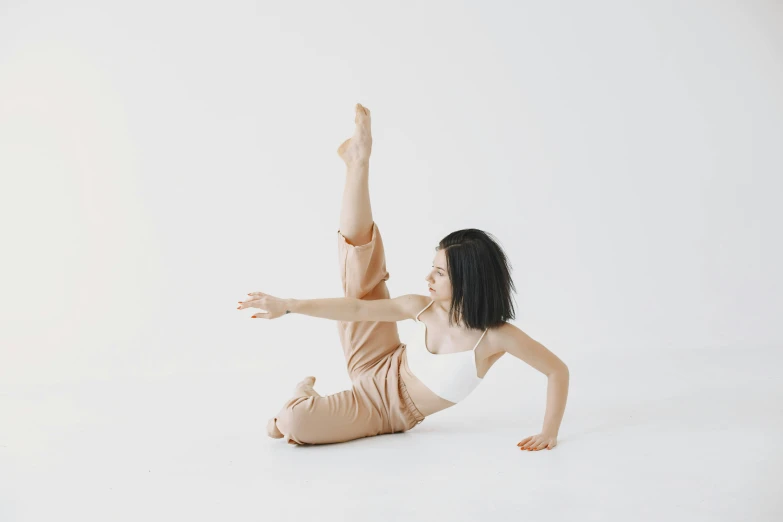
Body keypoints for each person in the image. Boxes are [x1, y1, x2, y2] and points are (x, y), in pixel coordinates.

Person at [237, 103, 569, 450]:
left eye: (439, 272)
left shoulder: (496, 337)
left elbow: (557, 371)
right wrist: (288, 305)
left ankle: (298, 398)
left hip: (381, 410)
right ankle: (358, 163)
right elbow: (356, 311)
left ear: (468, 282)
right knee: (361, 280)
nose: (428, 276)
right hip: (377, 358)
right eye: (433, 266)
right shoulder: (421, 307)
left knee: (292, 423)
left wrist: (549, 432)